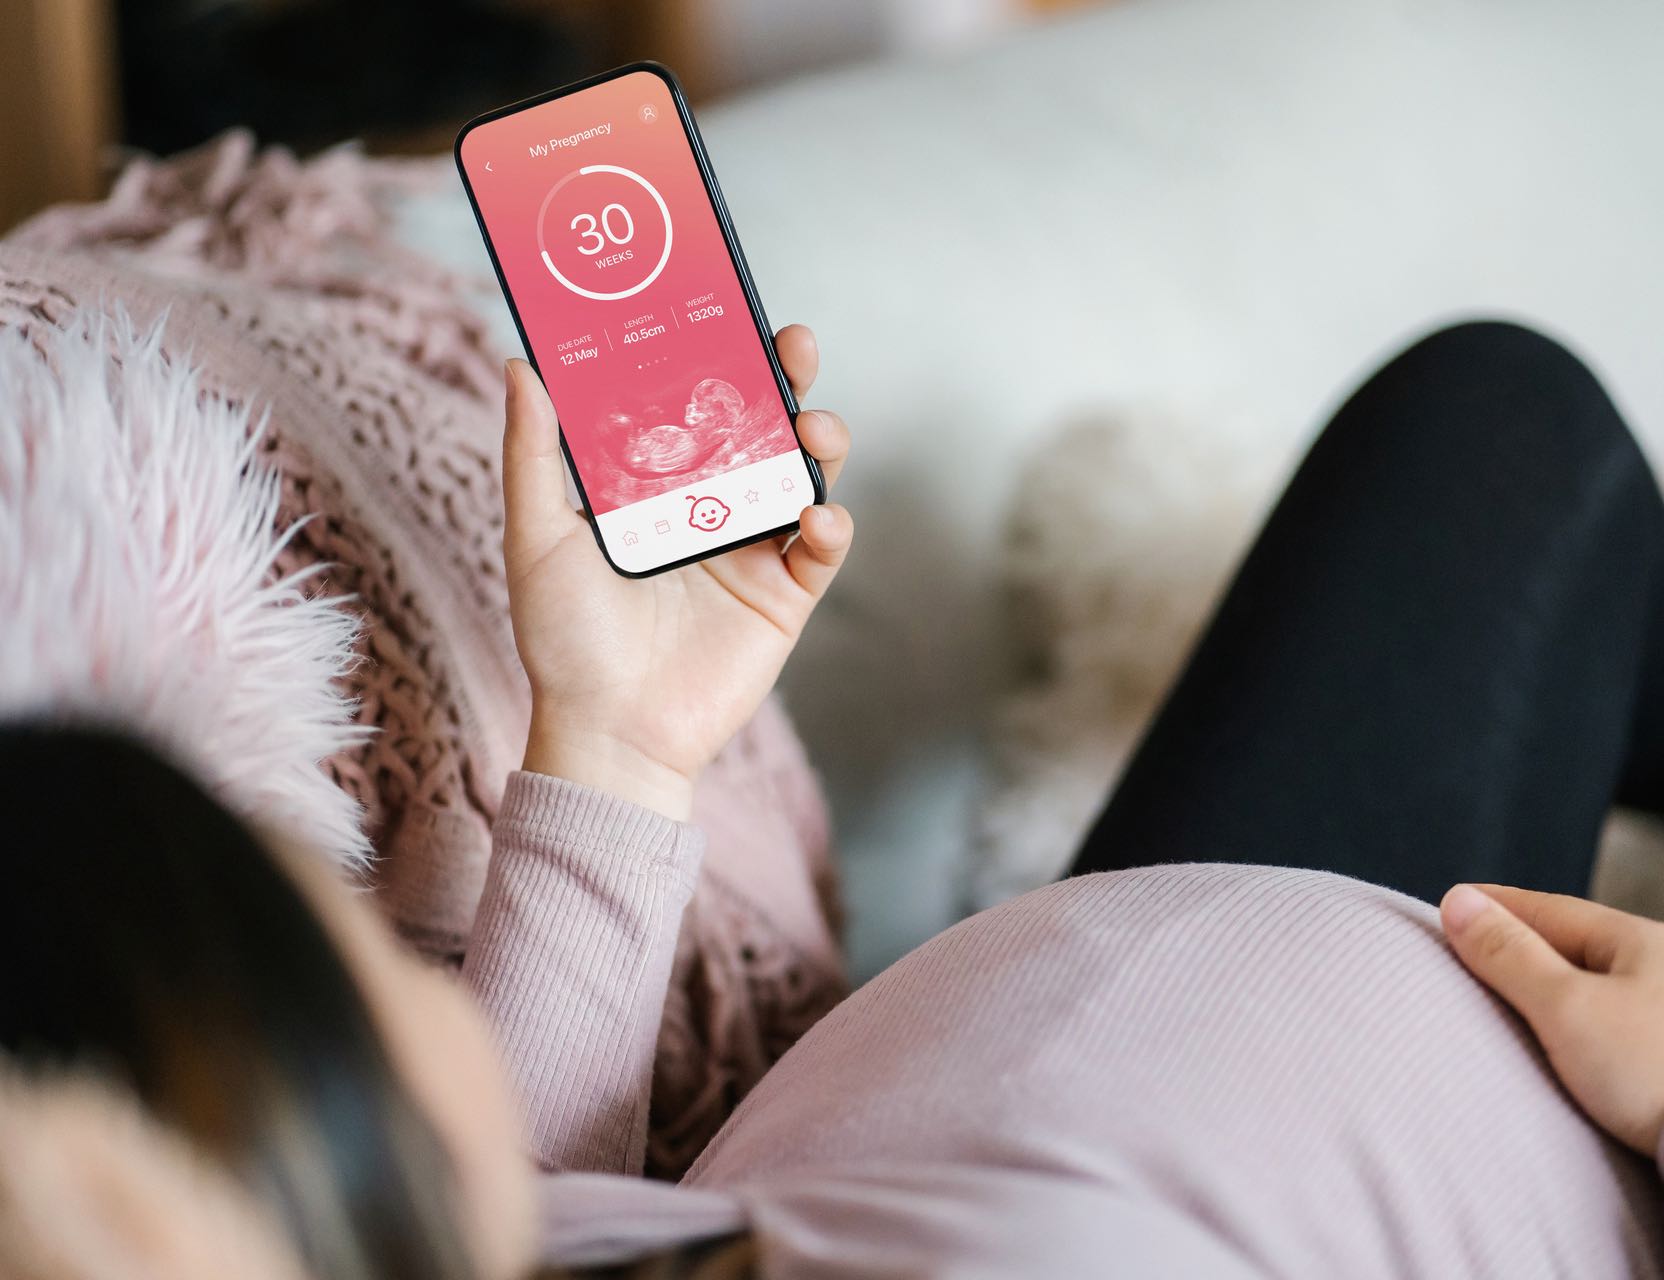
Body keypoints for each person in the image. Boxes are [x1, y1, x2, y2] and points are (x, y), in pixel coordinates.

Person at [6, 319, 1664, 1278]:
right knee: (1518, 447)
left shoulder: (466, 1231)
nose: (397, 964)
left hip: (1198, 985)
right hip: (1567, 1106)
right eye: (356, 959)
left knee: (1494, 422)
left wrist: (621, 741)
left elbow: (512, 1189)